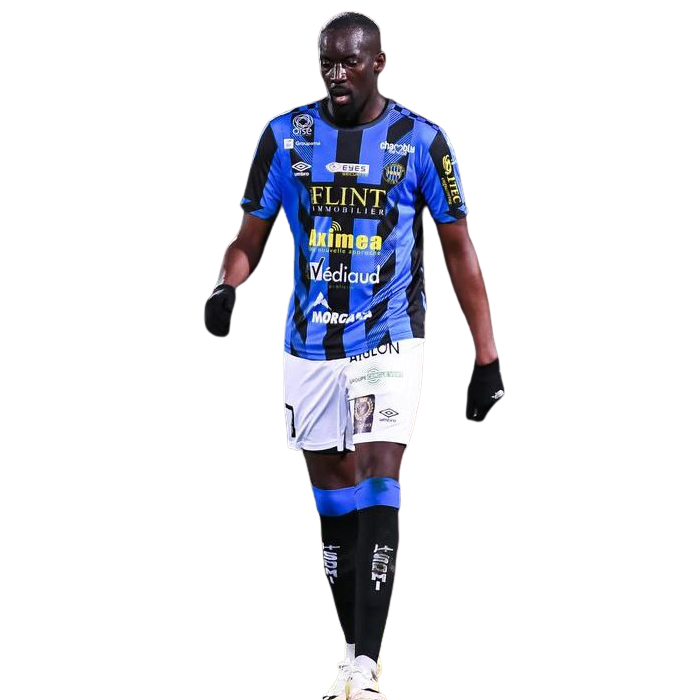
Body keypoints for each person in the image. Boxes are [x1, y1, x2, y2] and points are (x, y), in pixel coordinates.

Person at [204, 11, 504, 699]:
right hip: (309, 343)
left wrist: (486, 358)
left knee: (378, 470)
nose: (336, 74)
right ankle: (349, 654)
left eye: (350, 61)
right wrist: (226, 285)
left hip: (391, 335)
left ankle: (367, 665)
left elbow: (459, 250)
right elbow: (249, 235)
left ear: (379, 62)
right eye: (326, 63)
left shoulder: (422, 141)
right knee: (333, 501)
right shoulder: (285, 136)